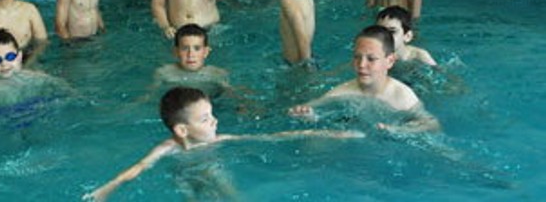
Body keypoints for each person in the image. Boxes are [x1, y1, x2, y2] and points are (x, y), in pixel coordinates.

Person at [83, 86, 363, 201]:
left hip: (210, 166)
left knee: (223, 185)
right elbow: (138, 168)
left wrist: (325, 133)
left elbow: (272, 137)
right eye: (205, 119)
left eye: (212, 115)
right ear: (182, 130)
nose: (215, 122)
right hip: (185, 176)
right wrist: (105, 190)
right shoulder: (168, 148)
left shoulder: (220, 139)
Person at [288, 25, 440, 133]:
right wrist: (309, 116)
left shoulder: (402, 96)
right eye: (357, 57)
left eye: (371, 59)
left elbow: (432, 125)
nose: (361, 65)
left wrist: (398, 130)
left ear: (390, 61)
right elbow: (308, 110)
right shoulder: (342, 92)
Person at [0, 29, 73, 107]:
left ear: (19, 56)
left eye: (10, 57)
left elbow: (57, 83)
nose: (4, 63)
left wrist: (71, 94)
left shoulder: (32, 77)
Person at [151, 24, 230, 97]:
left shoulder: (217, 74)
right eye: (185, 48)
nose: (191, 54)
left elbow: (231, 96)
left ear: (206, 52)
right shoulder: (164, 74)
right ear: (176, 52)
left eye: (197, 48)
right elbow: (150, 96)